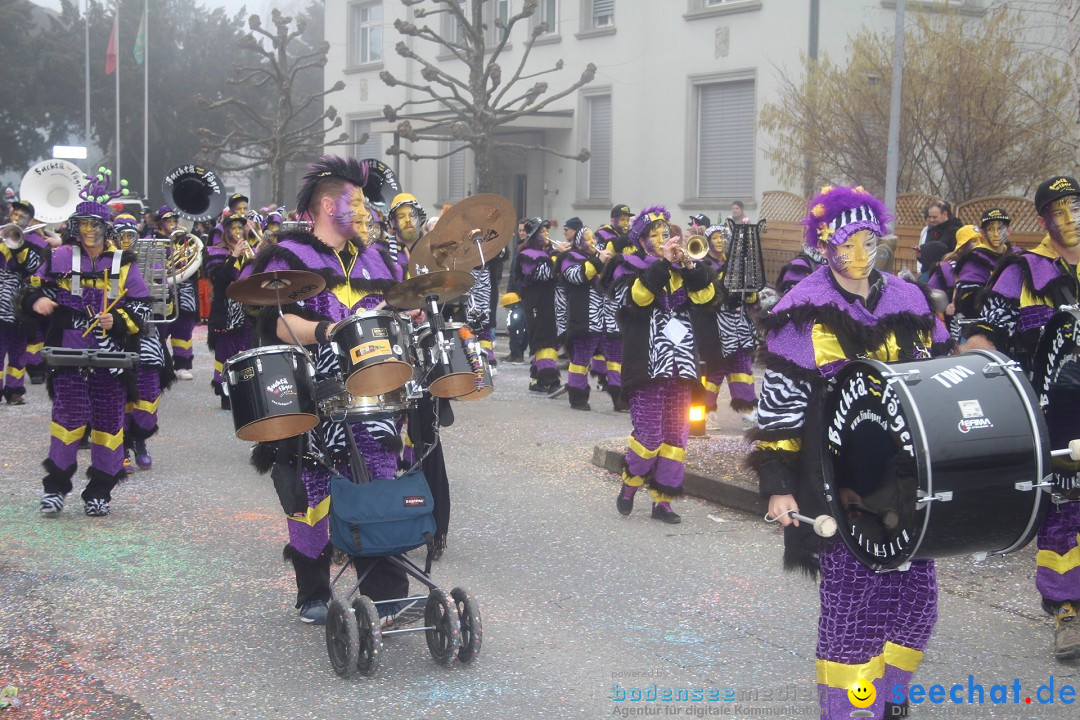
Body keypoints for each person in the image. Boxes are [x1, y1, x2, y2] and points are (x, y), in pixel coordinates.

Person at [747, 185, 950, 719]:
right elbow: (780, 409)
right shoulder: (802, 310)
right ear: (823, 247)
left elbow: (935, 380)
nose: (861, 255)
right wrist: (778, 487)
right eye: (847, 243)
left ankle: (890, 700)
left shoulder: (908, 299)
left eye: (869, 241)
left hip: (907, 480)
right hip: (836, 485)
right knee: (854, 616)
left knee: (916, 604)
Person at [246, 155, 408, 625]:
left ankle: (385, 592)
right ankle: (312, 590)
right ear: (324, 204)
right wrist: (326, 331)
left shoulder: (376, 257)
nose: (362, 209)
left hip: (374, 392)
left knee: (378, 480)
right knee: (309, 490)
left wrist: (408, 316)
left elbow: (392, 312)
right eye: (353, 200)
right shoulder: (290, 257)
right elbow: (277, 322)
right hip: (309, 389)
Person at [965, 176, 1080, 661]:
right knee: (1065, 512)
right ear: (1043, 219)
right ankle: (1066, 609)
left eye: (1076, 206)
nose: (1071, 218)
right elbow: (982, 340)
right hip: (1055, 417)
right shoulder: (1021, 270)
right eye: (1059, 210)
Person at [21, 169, 152, 517]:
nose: (89, 231)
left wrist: (118, 320)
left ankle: (100, 492)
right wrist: (37, 300)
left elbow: (140, 307)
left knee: (110, 424)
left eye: (95, 225)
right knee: (69, 419)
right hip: (68, 351)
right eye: (83, 225)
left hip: (112, 356)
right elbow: (33, 288)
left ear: (106, 228)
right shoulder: (59, 257)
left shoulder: (124, 263)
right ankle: (55, 489)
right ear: (75, 227)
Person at [614, 206, 716, 524]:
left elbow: (706, 298)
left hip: (681, 365)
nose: (662, 238)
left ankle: (663, 501)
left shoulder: (683, 268)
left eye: (665, 233)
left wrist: (689, 266)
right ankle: (631, 483)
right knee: (649, 436)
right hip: (647, 366)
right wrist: (663, 263)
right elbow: (639, 298)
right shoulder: (631, 266)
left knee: (676, 437)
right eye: (655, 235)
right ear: (643, 241)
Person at [114, 214, 173, 472]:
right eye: (120, 236)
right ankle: (124, 445)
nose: (126, 241)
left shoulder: (152, 264)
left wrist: (164, 289)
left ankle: (140, 437)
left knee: (148, 399)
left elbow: (166, 309)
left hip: (147, 339)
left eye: (130, 235)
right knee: (118, 396)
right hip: (115, 338)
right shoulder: (104, 263)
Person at [694, 224, 758, 426]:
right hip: (715, 325)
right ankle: (705, 411)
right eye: (715, 237)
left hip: (738, 323)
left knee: (742, 365)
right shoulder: (704, 264)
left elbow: (751, 296)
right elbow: (705, 295)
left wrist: (748, 293)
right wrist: (724, 295)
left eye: (723, 237)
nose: (720, 241)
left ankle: (747, 409)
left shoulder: (734, 263)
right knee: (715, 369)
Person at [557, 226, 613, 410]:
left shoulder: (595, 259)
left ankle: (617, 394)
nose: (592, 243)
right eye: (588, 239)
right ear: (579, 242)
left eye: (593, 239)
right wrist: (598, 262)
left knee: (611, 357)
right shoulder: (569, 257)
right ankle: (578, 396)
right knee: (579, 359)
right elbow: (577, 276)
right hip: (582, 319)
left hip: (602, 320)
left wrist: (611, 266)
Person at [205, 212, 254, 408]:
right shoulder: (216, 252)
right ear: (226, 231)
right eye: (233, 228)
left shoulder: (250, 250)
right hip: (225, 312)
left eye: (240, 227)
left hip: (246, 311)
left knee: (246, 350)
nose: (237, 231)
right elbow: (221, 279)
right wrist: (234, 255)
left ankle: (244, 389)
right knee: (225, 352)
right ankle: (225, 393)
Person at [512, 218, 561, 393]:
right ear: (534, 235)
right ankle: (551, 381)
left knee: (546, 338)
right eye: (543, 231)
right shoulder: (527, 254)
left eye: (547, 231)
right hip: (534, 303)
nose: (547, 234)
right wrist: (557, 257)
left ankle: (536, 381)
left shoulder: (545, 252)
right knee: (543, 340)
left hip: (547, 301)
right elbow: (543, 274)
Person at [1, 206, 44, 405]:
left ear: (30, 220)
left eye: (22, 216)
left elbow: (34, 266)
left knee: (18, 351)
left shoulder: (33, 241)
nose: (17, 218)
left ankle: (14, 389)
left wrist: (18, 246)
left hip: (18, 307)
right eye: (15, 214)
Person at [152, 206, 198, 381]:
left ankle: (183, 364)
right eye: (168, 221)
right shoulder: (151, 239)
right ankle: (161, 364)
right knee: (160, 329)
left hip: (184, 290)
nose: (172, 224)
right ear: (160, 223)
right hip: (162, 290)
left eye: (174, 220)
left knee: (184, 329)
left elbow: (195, 260)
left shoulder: (184, 240)